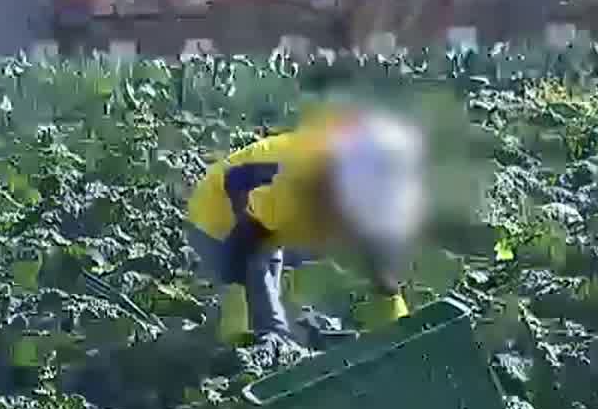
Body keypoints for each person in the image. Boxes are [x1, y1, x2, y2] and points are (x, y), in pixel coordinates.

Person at [184, 108, 429, 342]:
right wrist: (265, 323)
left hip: (259, 216)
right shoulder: (299, 172)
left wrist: (394, 309)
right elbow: (239, 196)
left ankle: (271, 323)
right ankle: (253, 337)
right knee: (258, 262)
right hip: (212, 217)